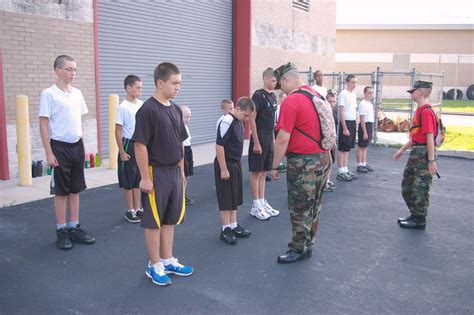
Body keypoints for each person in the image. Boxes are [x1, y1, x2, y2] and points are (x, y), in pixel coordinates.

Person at [133, 62, 193, 286]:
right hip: (155, 172)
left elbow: (179, 142)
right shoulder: (148, 110)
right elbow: (140, 146)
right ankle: (154, 264)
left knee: (169, 218)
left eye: (179, 83)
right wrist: (145, 177)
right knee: (154, 222)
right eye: (174, 83)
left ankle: (167, 259)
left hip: (173, 173)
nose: (178, 87)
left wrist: (181, 170)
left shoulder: (176, 109)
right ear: (160, 82)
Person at [271, 62, 331, 263]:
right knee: (315, 205)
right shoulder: (315, 95)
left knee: (299, 207)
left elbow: (282, 138)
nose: (282, 90)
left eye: (281, 85)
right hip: (324, 158)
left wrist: (274, 165)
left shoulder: (292, 100)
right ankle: (309, 243)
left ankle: (298, 248)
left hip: (304, 163)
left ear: (286, 79)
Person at [39, 55, 95, 250]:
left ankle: (74, 227)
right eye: (69, 69)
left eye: (75, 69)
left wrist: (84, 145)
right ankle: (61, 229)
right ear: (57, 70)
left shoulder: (77, 93)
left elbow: (78, 121)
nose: (73, 73)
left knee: (75, 189)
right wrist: (49, 153)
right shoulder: (49, 94)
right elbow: (44, 125)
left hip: (76, 146)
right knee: (62, 191)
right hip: (59, 148)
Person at [393, 81, 438, 230]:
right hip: (416, 152)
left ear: (420, 93)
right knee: (408, 185)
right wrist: (402, 150)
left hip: (424, 153)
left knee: (420, 187)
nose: (411, 94)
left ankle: (419, 219)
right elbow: (415, 137)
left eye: (413, 91)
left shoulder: (426, 112)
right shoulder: (419, 111)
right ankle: (414, 213)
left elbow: (430, 137)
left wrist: (431, 160)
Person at [215, 97, 255, 245]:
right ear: (237, 109)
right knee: (226, 197)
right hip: (225, 164)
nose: (246, 119)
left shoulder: (239, 121)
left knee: (234, 196)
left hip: (236, 163)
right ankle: (225, 229)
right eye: (245, 115)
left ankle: (233, 225)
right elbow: (219, 146)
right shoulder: (227, 121)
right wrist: (224, 169)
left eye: (248, 117)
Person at [248, 67, 279, 220]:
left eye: (276, 81)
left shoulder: (273, 97)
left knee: (264, 172)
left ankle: (262, 201)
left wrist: (273, 139)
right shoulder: (258, 96)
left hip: (268, 137)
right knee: (256, 172)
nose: (275, 83)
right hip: (259, 137)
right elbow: (252, 118)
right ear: (265, 79)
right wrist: (256, 142)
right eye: (273, 80)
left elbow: (272, 122)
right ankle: (255, 205)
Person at [115, 75, 144, 223]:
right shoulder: (123, 107)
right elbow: (118, 130)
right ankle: (130, 210)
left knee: (138, 178)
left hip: (140, 144)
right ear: (128, 88)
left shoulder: (141, 104)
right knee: (128, 180)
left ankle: (138, 208)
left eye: (141, 87)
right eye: (137, 87)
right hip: (128, 145)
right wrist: (122, 151)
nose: (140, 90)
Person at [336, 74, 358, 182]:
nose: (354, 84)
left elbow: (354, 109)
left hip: (352, 122)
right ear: (347, 82)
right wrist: (344, 128)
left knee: (347, 148)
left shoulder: (353, 95)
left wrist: (356, 121)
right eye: (352, 82)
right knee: (342, 148)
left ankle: (345, 169)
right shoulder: (343, 94)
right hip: (346, 122)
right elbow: (341, 112)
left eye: (355, 82)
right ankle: (340, 171)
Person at [356, 86, 375, 173]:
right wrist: (364, 132)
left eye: (372, 93)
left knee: (365, 147)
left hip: (369, 125)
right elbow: (362, 119)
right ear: (364, 93)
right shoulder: (362, 104)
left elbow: (371, 119)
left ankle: (364, 163)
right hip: (364, 126)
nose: (371, 94)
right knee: (361, 146)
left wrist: (372, 130)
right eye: (369, 93)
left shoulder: (370, 104)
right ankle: (359, 165)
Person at [323, 91, 338, 192]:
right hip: (326, 141)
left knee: (331, 161)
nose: (331, 104)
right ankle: (323, 183)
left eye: (333, 101)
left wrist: (334, 140)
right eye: (329, 101)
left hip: (332, 140)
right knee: (326, 162)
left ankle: (327, 180)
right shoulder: (323, 112)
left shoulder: (334, 111)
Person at [181, 105, 195, 205]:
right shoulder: (178, 128)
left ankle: (182, 194)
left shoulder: (186, 127)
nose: (188, 119)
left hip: (188, 151)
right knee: (183, 176)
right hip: (182, 152)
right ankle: (179, 196)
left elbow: (188, 142)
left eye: (189, 117)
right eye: (186, 117)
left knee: (187, 175)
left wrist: (191, 158)